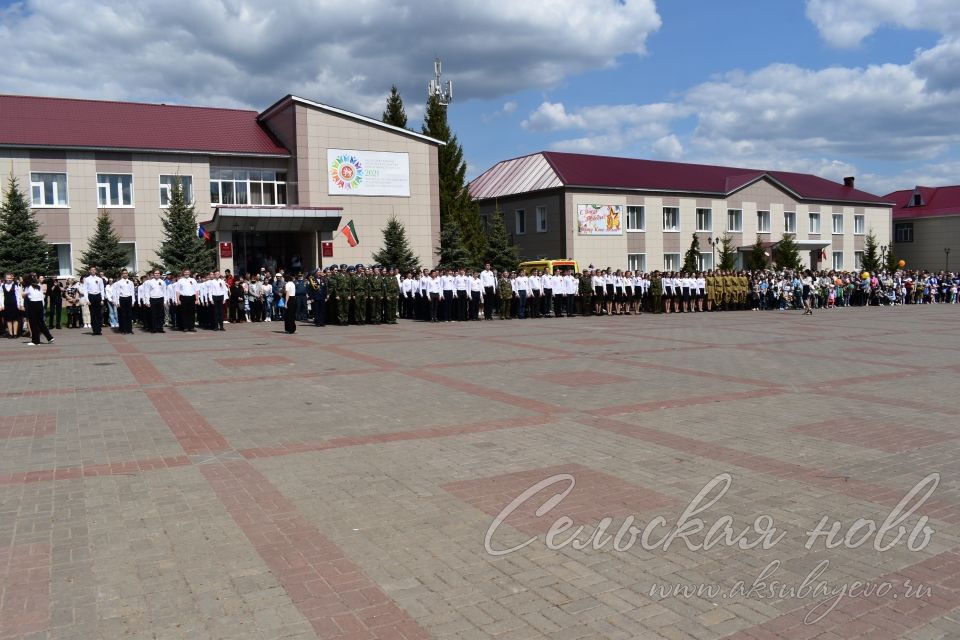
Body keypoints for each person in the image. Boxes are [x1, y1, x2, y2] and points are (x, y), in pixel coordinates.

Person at [22, 275, 53, 345]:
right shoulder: (38, 287)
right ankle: (49, 337)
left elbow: (23, 295)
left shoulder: (28, 287)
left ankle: (35, 341)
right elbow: (42, 297)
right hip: (40, 304)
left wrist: (24, 293)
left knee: (33, 323)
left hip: (33, 304)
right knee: (41, 322)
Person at [82, 266, 106, 335]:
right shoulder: (86, 279)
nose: (93, 271)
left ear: (96, 271)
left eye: (94, 270)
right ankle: (95, 330)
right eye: (91, 270)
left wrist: (102, 299)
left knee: (99, 314)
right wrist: (87, 300)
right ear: (89, 271)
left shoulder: (99, 279)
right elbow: (85, 290)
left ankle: (99, 329)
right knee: (93, 314)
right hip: (91, 297)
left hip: (98, 296)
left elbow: (102, 289)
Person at [1, 273, 24, 338]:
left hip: (14, 304)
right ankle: (10, 334)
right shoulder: (2, 286)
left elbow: (18, 295)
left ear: (12, 278)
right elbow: (1, 296)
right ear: (5, 278)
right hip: (6, 304)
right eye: (7, 278)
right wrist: (2, 305)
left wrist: (19, 304)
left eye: (10, 278)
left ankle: (15, 334)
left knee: (15, 319)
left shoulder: (15, 285)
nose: (9, 279)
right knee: (8, 320)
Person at [113, 269, 135, 334]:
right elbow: (117, 293)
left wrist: (133, 301)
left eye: (126, 273)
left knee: (129, 315)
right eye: (124, 273)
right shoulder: (119, 282)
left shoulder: (131, 282)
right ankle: (124, 329)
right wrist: (117, 302)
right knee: (123, 315)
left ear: (127, 274)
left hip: (129, 298)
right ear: (122, 274)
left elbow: (132, 292)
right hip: (122, 299)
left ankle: (129, 329)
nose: (125, 274)